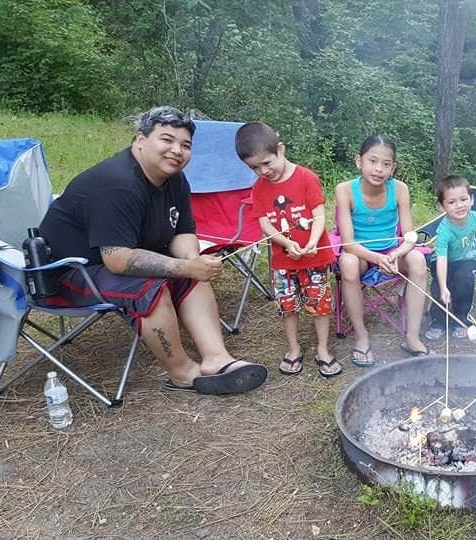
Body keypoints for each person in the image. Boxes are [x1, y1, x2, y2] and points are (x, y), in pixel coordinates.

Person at [38, 106, 267, 394]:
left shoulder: (175, 179)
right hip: (69, 272)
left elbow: (183, 231)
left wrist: (192, 260)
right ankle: (182, 373)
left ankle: (217, 359)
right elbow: (117, 259)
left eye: (185, 145)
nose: (177, 151)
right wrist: (183, 267)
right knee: (150, 288)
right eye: (167, 140)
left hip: (117, 260)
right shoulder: (117, 184)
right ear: (140, 140)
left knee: (193, 272)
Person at [234, 122, 342, 378]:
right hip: (283, 262)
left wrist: (312, 242)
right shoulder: (259, 188)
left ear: (280, 149)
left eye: (267, 163)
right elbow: (265, 223)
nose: (263, 171)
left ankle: (323, 349)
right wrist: (287, 243)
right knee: (287, 306)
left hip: (315, 257)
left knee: (320, 305)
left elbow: (318, 215)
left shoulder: (306, 178)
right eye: (254, 168)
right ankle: (293, 349)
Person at [334, 135, 428, 365]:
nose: (379, 169)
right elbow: (348, 243)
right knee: (348, 263)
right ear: (359, 161)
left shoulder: (400, 189)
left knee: (417, 259)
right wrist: (377, 258)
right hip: (360, 253)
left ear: (393, 167)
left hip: (391, 251)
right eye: (373, 161)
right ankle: (362, 336)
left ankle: (412, 337)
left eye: (386, 164)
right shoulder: (345, 190)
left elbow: (409, 237)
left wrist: (396, 254)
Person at [425, 175, 476, 341]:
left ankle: (460, 320)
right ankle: (438, 322)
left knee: (464, 279)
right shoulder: (444, 230)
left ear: (472, 200)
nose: (459, 205)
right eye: (452, 202)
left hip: (467, 260)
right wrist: (443, 287)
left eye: (463, 199)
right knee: (439, 287)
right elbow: (441, 259)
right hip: (443, 262)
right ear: (441, 206)